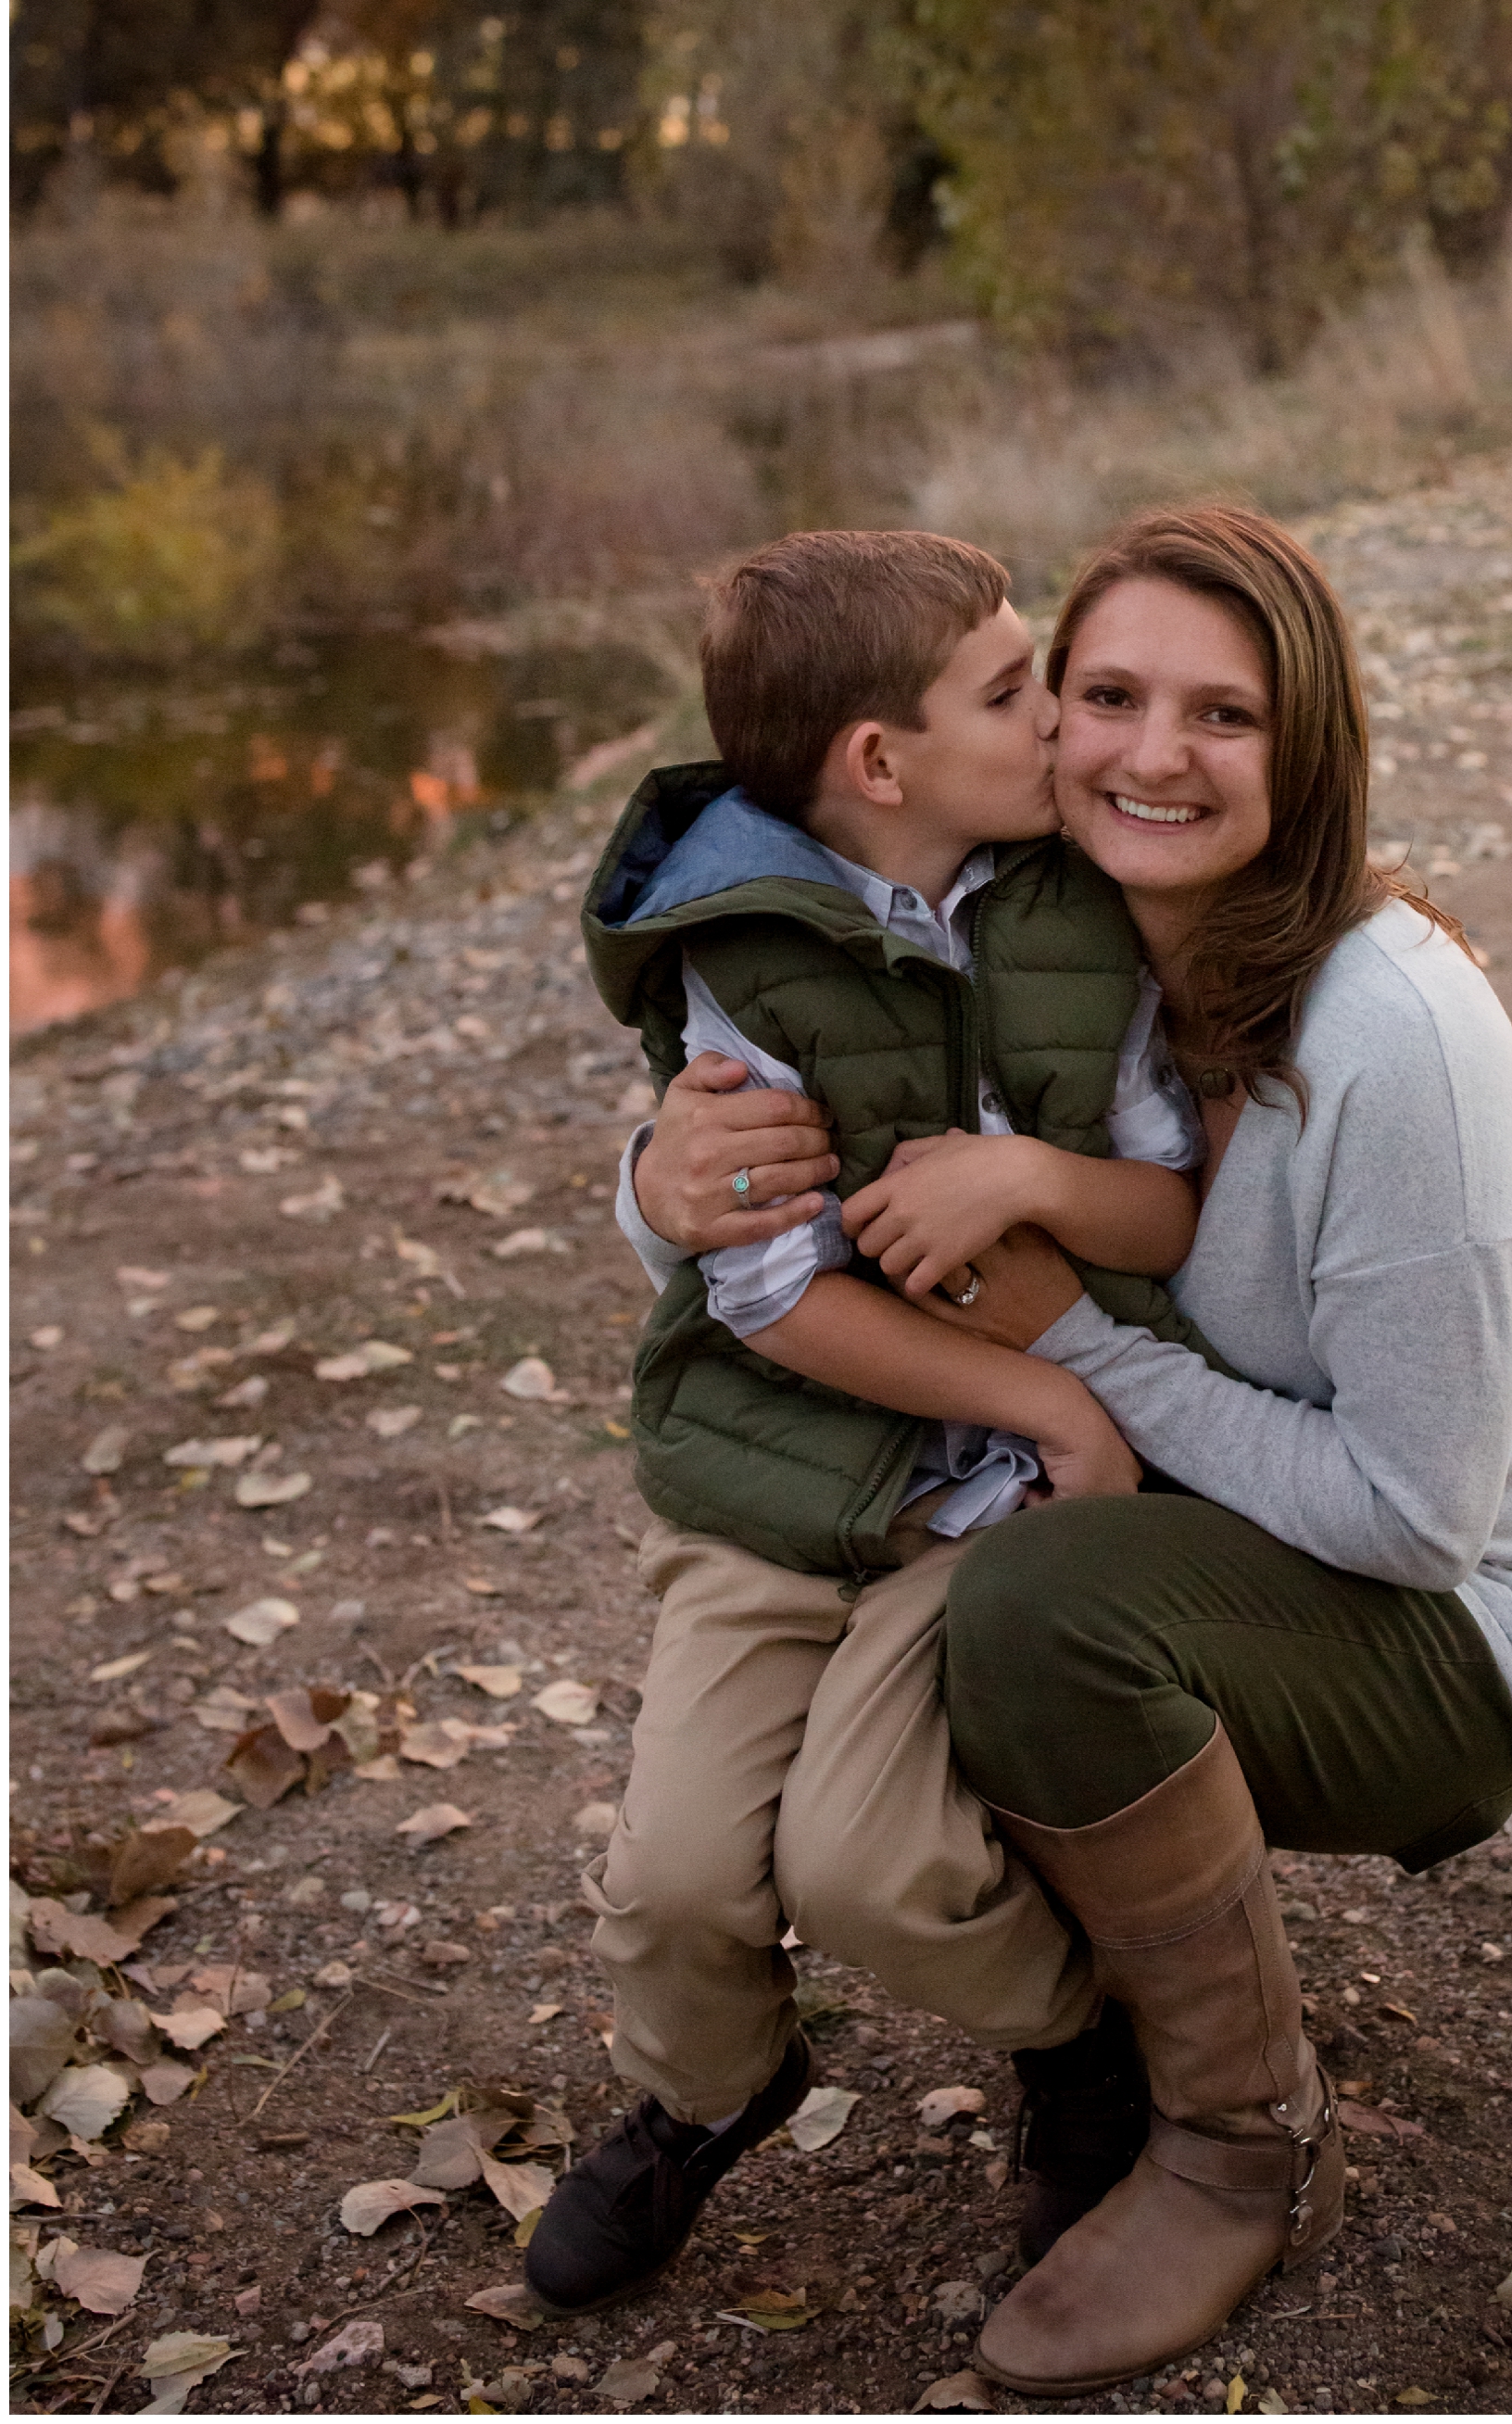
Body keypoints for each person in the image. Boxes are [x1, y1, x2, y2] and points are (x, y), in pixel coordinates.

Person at [853, 504, 1512, 2394]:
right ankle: (1091, 2024)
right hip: (1228, 1534)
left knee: (1037, 1612)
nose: (1150, 756)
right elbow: (795, 1096)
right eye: (1106, 694)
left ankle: (1245, 2142)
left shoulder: (1396, 1038)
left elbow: (1423, 1519)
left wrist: (1083, 1345)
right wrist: (661, 1183)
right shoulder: (1061, 943)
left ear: (1313, 750)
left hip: (1449, 1637)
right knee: (889, 1574)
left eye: (1224, 716)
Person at [528, 527, 1207, 2313]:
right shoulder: (736, 949)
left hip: (969, 1506)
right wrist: (1044, 1393)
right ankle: (709, 2094)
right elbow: (762, 1284)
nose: (1060, 714)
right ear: (880, 763)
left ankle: (1078, 2043)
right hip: (774, 1475)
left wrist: (1030, 1178)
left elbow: (1175, 1205)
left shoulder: (1079, 904)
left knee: (882, 1865)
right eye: (1015, 688)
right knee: (674, 1878)